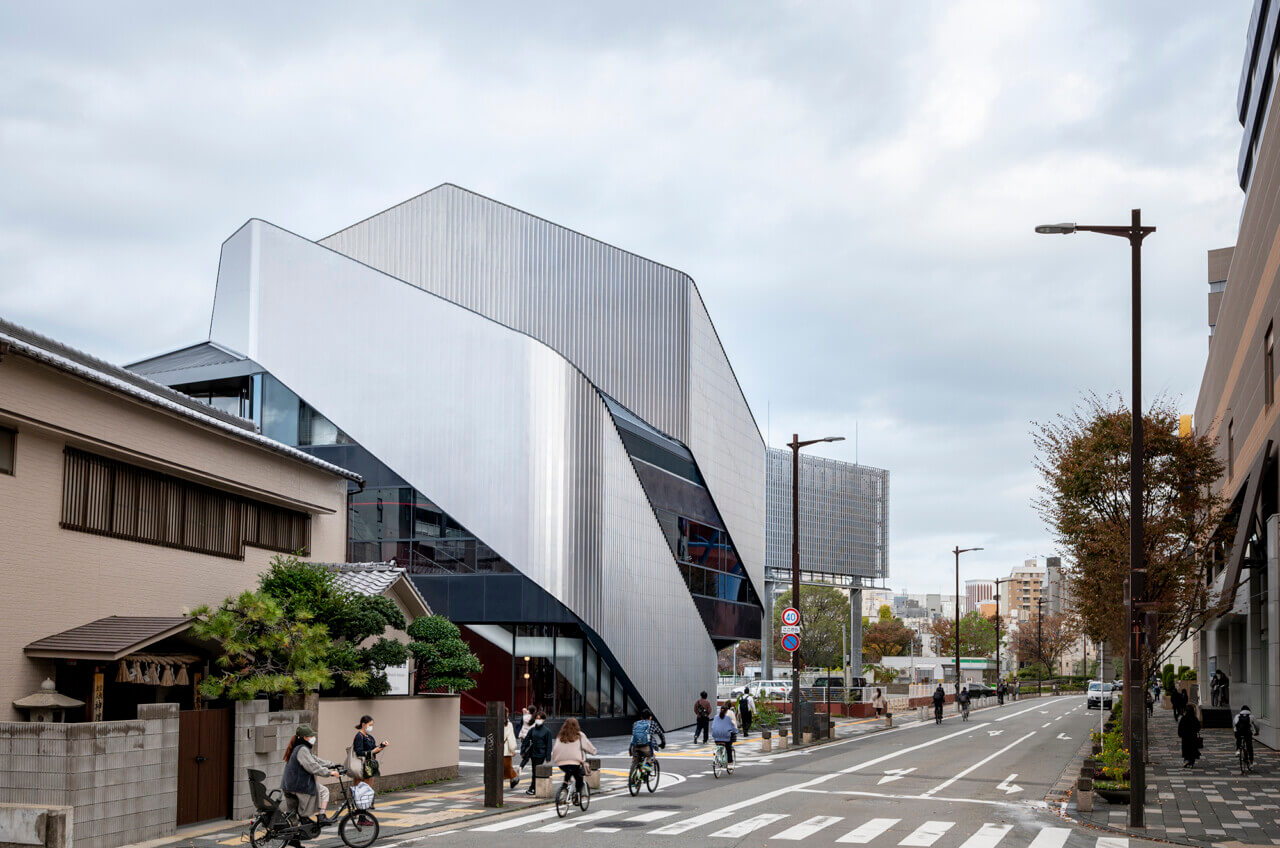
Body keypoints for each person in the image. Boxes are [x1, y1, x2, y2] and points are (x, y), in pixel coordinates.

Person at [281, 724, 339, 823]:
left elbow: (316, 760)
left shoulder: (299, 748)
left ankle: (294, 836)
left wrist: (332, 765)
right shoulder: (302, 750)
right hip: (298, 786)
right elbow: (313, 767)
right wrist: (330, 773)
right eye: (311, 736)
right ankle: (321, 816)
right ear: (305, 738)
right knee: (324, 791)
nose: (313, 738)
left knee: (292, 816)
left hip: (288, 785)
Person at [551, 717, 597, 801]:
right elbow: (588, 746)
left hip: (561, 763)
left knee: (568, 772)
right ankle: (577, 796)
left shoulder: (560, 735)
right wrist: (594, 751)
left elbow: (555, 749)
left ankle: (564, 786)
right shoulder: (579, 735)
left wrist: (555, 759)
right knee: (579, 778)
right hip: (575, 763)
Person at [351, 715, 388, 788]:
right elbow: (358, 752)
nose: (371, 727)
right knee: (361, 789)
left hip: (370, 764)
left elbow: (373, 749)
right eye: (370, 725)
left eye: (372, 725)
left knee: (368, 789)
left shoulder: (369, 737)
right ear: (363, 724)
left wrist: (381, 746)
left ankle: (367, 799)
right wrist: (372, 752)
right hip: (362, 765)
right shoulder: (359, 736)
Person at [522, 711, 553, 796]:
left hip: (541, 754)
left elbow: (549, 745)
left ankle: (532, 788)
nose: (538, 720)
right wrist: (523, 750)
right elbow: (526, 740)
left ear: (544, 720)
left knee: (536, 771)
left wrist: (548, 757)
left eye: (540, 718)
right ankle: (534, 788)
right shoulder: (532, 730)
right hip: (533, 753)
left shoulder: (547, 731)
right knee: (534, 771)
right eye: (537, 718)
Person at [629, 708, 666, 774]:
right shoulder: (653, 723)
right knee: (651, 756)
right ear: (650, 717)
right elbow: (660, 734)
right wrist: (663, 743)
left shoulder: (636, 723)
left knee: (635, 762)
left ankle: (632, 780)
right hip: (646, 747)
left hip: (635, 747)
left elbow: (634, 735)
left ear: (641, 717)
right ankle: (647, 765)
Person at [503, 716, 520, 789]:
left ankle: (512, 780)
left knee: (502, 767)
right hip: (505, 749)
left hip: (495, 749)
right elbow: (510, 738)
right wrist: (513, 749)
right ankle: (513, 779)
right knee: (507, 767)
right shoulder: (508, 724)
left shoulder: (494, 721)